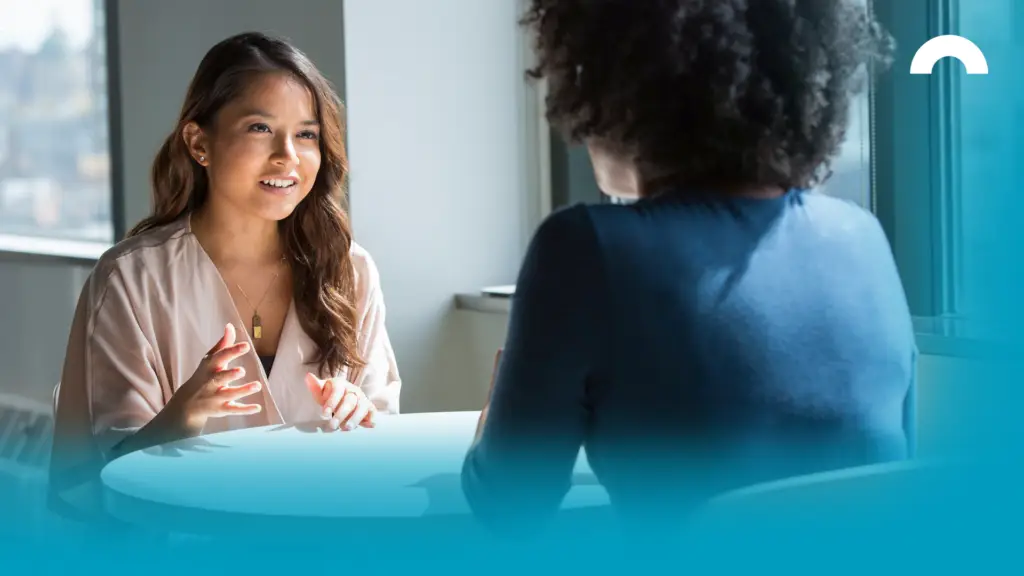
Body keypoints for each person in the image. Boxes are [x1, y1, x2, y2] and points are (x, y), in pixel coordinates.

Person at [461, 0, 915, 538]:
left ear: (613, 83)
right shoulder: (862, 239)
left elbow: (510, 506)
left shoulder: (585, 249)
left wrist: (497, 416)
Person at [49, 32, 401, 517]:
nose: (288, 156)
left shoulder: (351, 270)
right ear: (199, 143)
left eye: (306, 134)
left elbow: (388, 446)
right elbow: (97, 482)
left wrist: (358, 413)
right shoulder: (131, 278)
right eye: (260, 128)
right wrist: (179, 419)